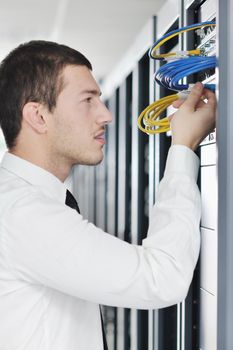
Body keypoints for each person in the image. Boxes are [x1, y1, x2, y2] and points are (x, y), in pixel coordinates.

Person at [0, 40, 216, 350]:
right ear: (38, 116)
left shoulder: (23, 202)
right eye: (88, 100)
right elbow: (162, 278)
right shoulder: (24, 213)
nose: (106, 115)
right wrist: (183, 149)